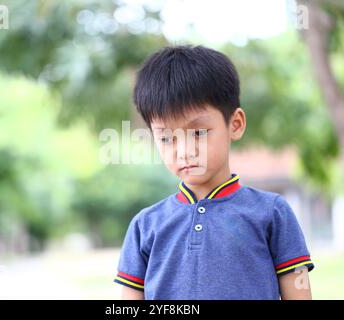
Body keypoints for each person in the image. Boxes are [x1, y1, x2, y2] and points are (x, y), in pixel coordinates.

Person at [114, 45, 314, 300]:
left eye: (197, 132)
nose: (184, 151)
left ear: (236, 124)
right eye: (166, 138)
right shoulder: (145, 226)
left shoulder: (272, 213)